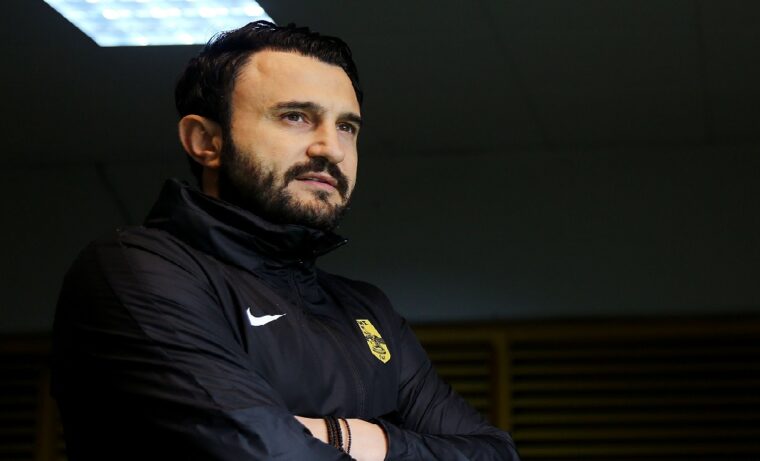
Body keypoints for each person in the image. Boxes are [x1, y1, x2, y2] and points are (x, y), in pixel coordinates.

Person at [51, 21, 519, 460]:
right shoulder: (136, 270)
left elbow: (495, 453)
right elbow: (265, 453)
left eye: (346, 127)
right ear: (205, 141)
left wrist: (349, 435)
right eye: (295, 117)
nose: (331, 149)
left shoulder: (368, 310)